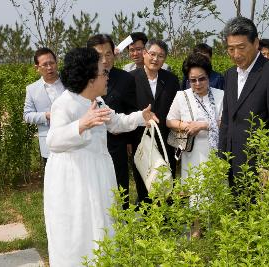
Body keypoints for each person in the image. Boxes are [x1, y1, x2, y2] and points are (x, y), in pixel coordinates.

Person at [43, 47, 157, 266]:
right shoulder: (65, 103)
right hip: (74, 177)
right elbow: (53, 141)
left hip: (97, 172)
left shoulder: (98, 101)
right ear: (90, 78)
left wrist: (140, 117)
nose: (107, 77)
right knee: (78, 229)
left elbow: (116, 123)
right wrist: (81, 124)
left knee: (101, 224)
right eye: (103, 73)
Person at [218, 17, 269, 189]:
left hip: (260, 168)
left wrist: (267, 167)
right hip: (234, 164)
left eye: (241, 47)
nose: (236, 54)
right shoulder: (230, 75)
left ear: (256, 43)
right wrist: (223, 159)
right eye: (231, 49)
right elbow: (227, 120)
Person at [86, 34, 138, 209]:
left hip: (116, 143)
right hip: (89, 145)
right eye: (99, 55)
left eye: (108, 54)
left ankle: (122, 223)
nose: (104, 59)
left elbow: (132, 110)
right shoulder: (82, 79)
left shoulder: (126, 79)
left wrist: (129, 140)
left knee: (119, 186)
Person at [130, 39, 179, 204]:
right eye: (152, 54)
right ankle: (146, 224)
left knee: (166, 183)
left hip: (165, 140)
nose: (155, 59)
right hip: (140, 140)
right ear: (144, 54)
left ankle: (166, 224)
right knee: (144, 183)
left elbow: (176, 109)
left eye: (161, 56)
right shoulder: (131, 79)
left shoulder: (171, 80)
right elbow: (126, 111)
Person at [167, 52, 224, 179]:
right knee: (195, 190)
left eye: (202, 78)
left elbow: (226, 122)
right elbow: (170, 121)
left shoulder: (221, 95)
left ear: (209, 77)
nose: (198, 83)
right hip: (192, 150)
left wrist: (203, 125)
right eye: (193, 80)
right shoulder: (182, 96)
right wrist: (186, 125)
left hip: (217, 151)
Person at [23, 48, 65, 165]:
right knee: (53, 182)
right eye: (44, 65)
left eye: (52, 63)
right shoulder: (32, 89)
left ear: (57, 62)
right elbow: (27, 115)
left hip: (75, 140)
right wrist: (46, 115)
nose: (49, 67)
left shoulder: (69, 81)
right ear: (37, 68)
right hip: (49, 144)